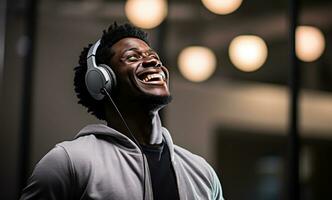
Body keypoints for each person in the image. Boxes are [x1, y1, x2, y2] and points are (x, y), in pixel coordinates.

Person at [20, 22, 224, 200]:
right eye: (132, 57)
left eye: (154, 57)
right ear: (103, 80)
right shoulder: (69, 162)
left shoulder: (202, 172)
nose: (154, 62)